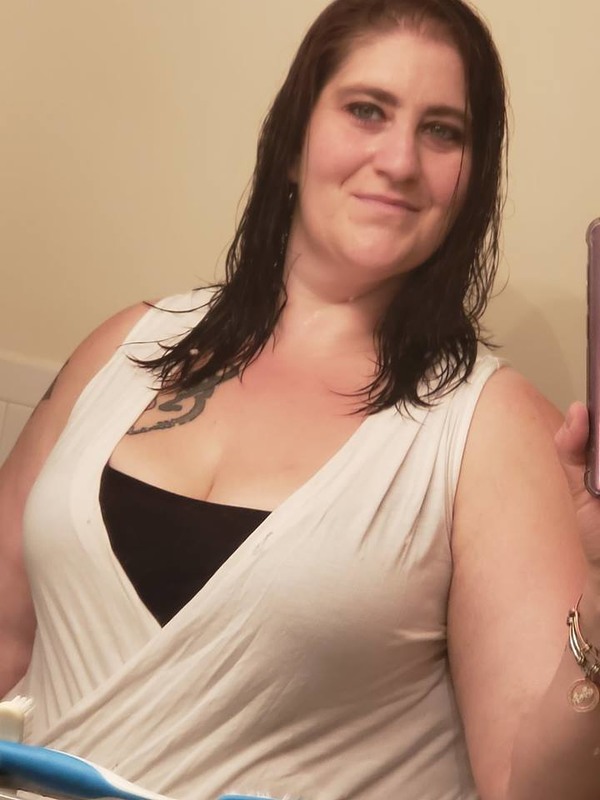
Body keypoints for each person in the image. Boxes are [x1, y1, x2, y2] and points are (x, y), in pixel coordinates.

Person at [0, 0, 599, 798]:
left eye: (442, 130)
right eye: (367, 110)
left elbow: (534, 788)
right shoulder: (125, 345)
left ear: (472, 180)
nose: (400, 159)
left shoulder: (495, 427)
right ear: (292, 142)